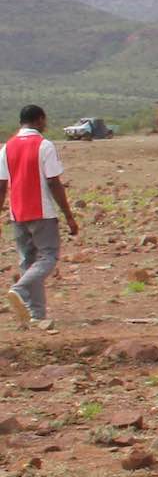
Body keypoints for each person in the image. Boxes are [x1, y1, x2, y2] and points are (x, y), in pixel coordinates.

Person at [2, 105, 79, 331]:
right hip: (41, 212)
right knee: (48, 256)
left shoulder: (7, 147)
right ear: (39, 120)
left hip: (17, 213)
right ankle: (20, 289)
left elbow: (1, 185)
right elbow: (54, 182)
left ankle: (35, 314)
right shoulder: (44, 145)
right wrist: (69, 216)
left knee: (28, 260)